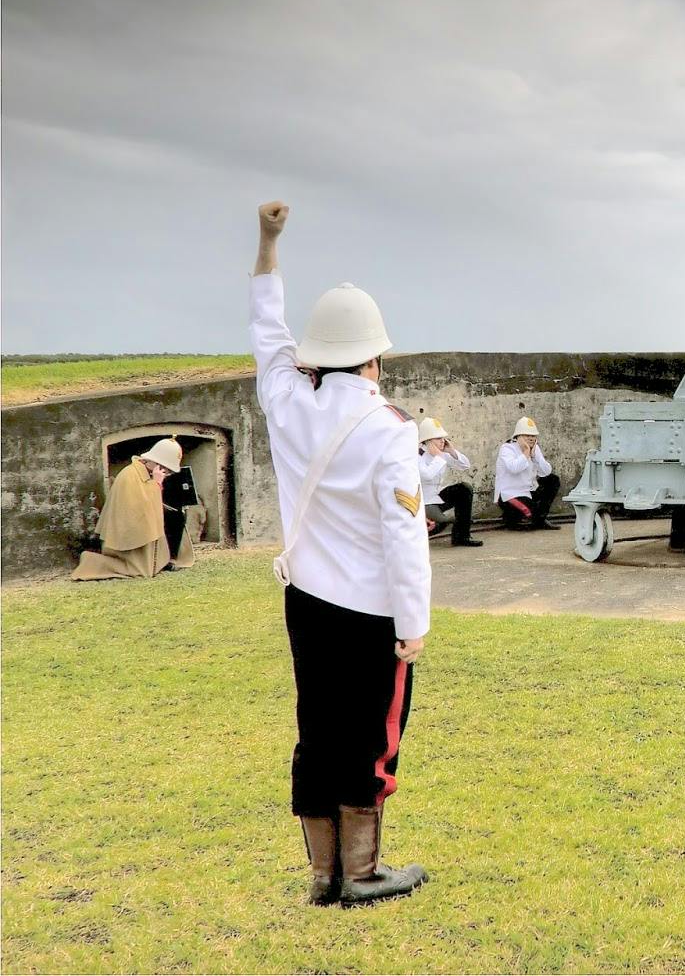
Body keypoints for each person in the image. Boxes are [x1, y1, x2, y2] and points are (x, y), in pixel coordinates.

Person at [249, 201, 430, 907]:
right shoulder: (388, 429)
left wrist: (268, 241)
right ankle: (360, 873)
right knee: (371, 740)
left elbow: (267, 329)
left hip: (307, 599)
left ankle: (322, 877)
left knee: (317, 730)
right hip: (371, 609)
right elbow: (404, 534)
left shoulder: (286, 401)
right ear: (376, 356)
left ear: (315, 354)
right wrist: (413, 623)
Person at [71, 438, 195, 579]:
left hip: (141, 517)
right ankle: (94, 562)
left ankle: (167, 559)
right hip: (128, 527)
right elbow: (137, 509)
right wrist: (157, 483)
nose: (167, 473)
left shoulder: (145, 472)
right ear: (156, 463)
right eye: (166, 469)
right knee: (169, 518)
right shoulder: (129, 475)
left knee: (176, 517)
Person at [417, 418, 482, 547]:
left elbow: (465, 465)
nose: (442, 441)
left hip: (437, 498)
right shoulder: (417, 455)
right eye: (438, 438)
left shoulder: (441, 453)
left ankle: (462, 537)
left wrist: (451, 451)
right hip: (424, 503)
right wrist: (439, 457)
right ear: (428, 440)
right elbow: (427, 475)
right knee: (439, 524)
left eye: (443, 438)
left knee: (464, 489)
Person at [494, 417, 560, 529]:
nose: (531, 438)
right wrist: (525, 453)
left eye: (533, 436)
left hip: (528, 492)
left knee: (552, 479)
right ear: (518, 436)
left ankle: (538, 519)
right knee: (532, 516)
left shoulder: (535, 449)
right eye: (527, 435)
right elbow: (514, 468)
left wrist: (534, 457)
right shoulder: (507, 448)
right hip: (510, 495)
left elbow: (546, 472)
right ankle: (522, 519)